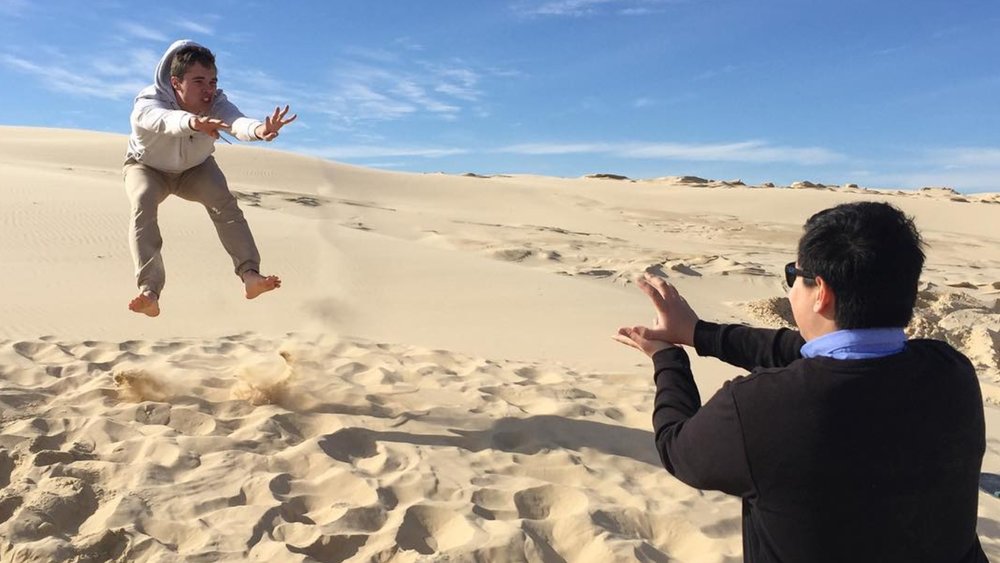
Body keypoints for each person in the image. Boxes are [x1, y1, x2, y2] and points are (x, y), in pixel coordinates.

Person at [616, 201, 987, 562]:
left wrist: (666, 357)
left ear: (821, 293)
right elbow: (814, 351)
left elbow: (677, 448)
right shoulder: (950, 371)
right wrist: (699, 333)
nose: (790, 287)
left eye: (793, 275)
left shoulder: (757, 409)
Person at [124, 39, 296, 317]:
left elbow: (236, 121)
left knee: (224, 204)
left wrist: (260, 130)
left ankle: (250, 275)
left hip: (195, 169)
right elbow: (161, 120)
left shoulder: (215, 102)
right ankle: (150, 292)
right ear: (176, 82)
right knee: (142, 203)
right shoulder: (149, 101)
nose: (209, 90)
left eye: (213, 82)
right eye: (199, 81)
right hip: (147, 167)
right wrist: (193, 122)